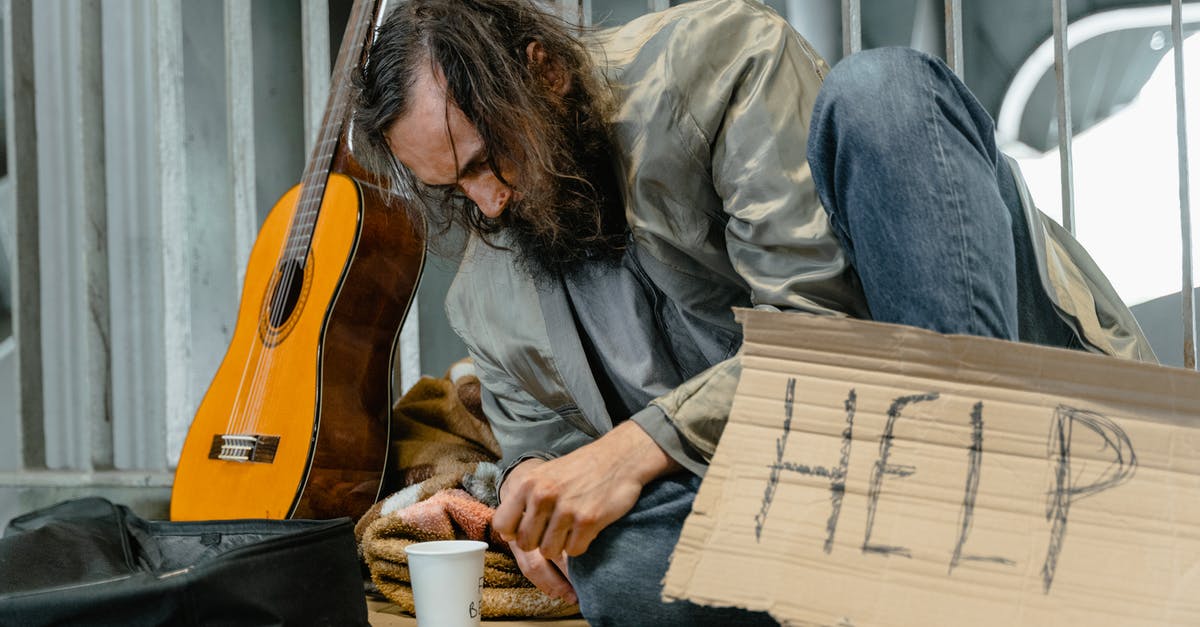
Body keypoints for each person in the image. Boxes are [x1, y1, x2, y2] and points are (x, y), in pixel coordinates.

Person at [351, 0, 1157, 624]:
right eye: (452, 187)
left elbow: (832, 331)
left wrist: (641, 444)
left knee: (882, 94)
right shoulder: (486, 295)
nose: (488, 204)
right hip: (829, 491)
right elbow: (548, 454)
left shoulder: (719, 64)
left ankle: (978, 505)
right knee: (615, 565)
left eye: (488, 160)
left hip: (994, 401)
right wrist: (535, 497)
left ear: (542, 72)